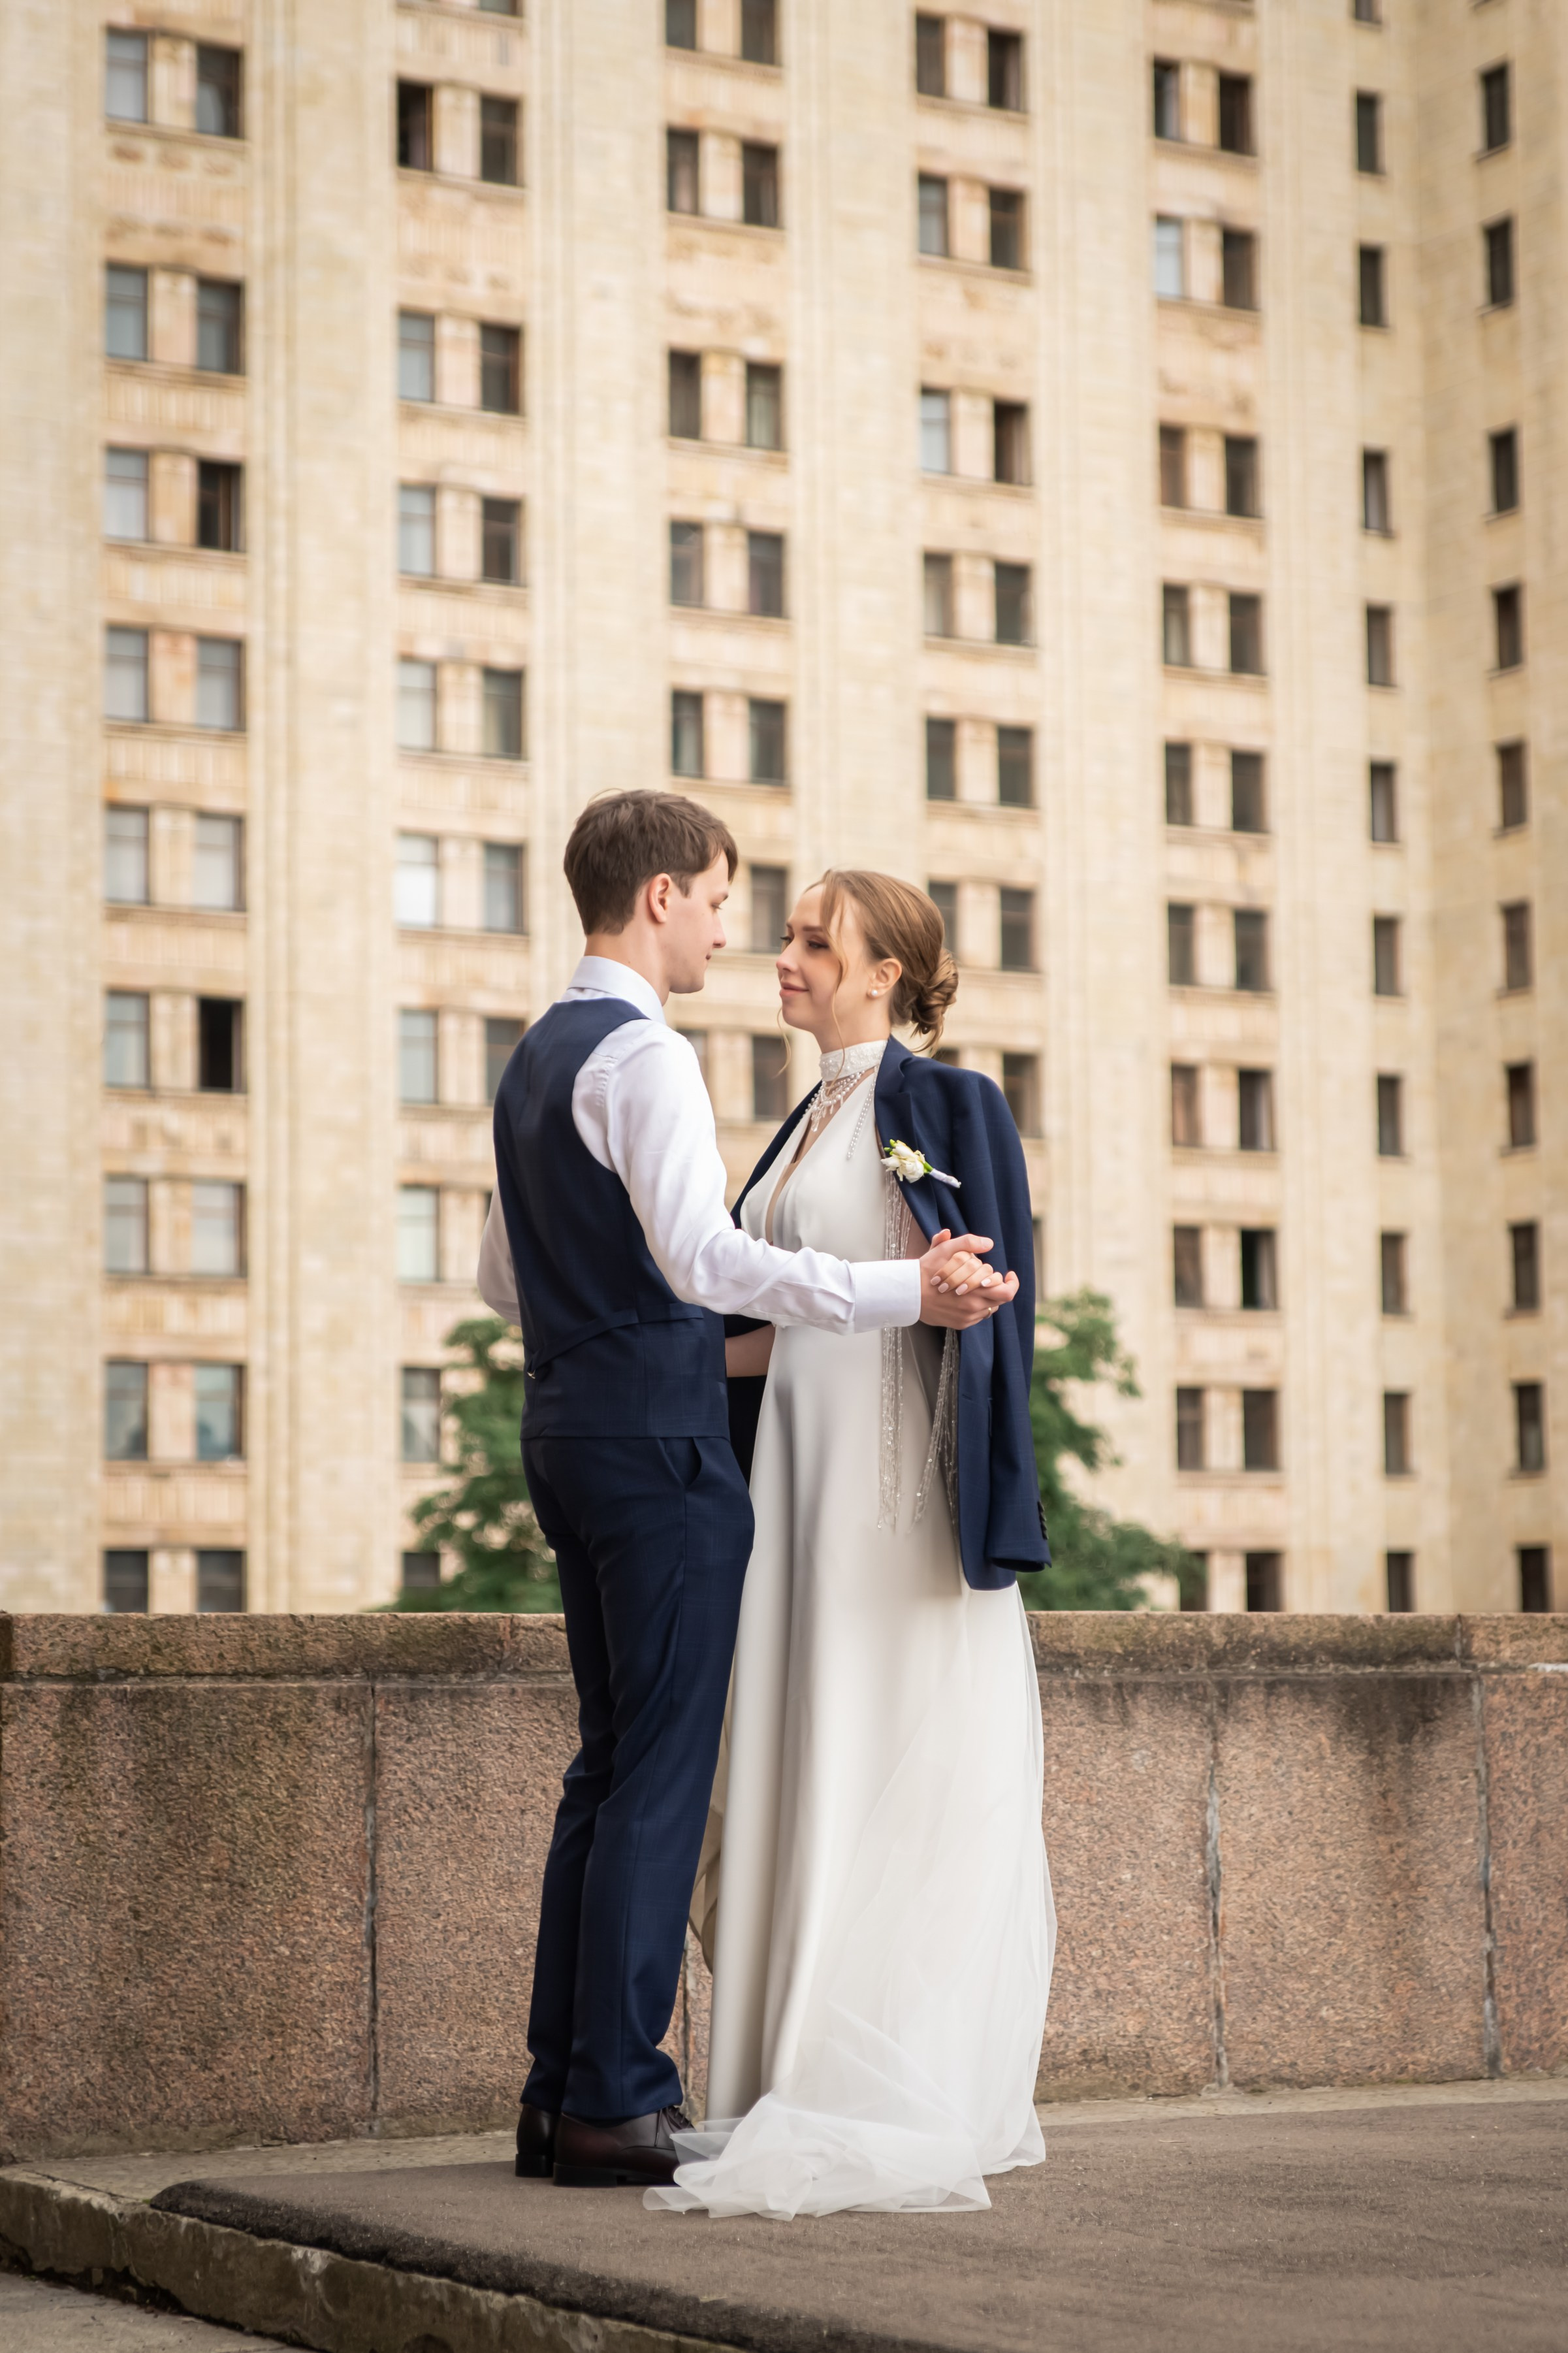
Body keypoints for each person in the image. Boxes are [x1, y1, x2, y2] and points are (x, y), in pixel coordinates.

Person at [476, 795, 1017, 2190]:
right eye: (725, 901)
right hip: (662, 1455)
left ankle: (558, 2096)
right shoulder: (644, 1056)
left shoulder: (535, 1056)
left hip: (574, 1435)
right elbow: (704, 1261)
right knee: (655, 1778)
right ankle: (614, 2099)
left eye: (787, 925)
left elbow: (501, 1278)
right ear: (661, 897)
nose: (739, 931)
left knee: (605, 1771)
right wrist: (903, 1288)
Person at [648, 869, 1055, 2220]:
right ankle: (774, 2074)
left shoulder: (951, 1105)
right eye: (786, 936)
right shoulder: (798, 1125)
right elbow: (773, 1313)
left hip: (896, 1504)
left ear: (886, 974)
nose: (786, 956)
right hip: (790, 1492)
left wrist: (971, 1298)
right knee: (794, 1751)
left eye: (817, 941)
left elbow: (995, 1302)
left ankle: (878, 2081)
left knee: (882, 1754)